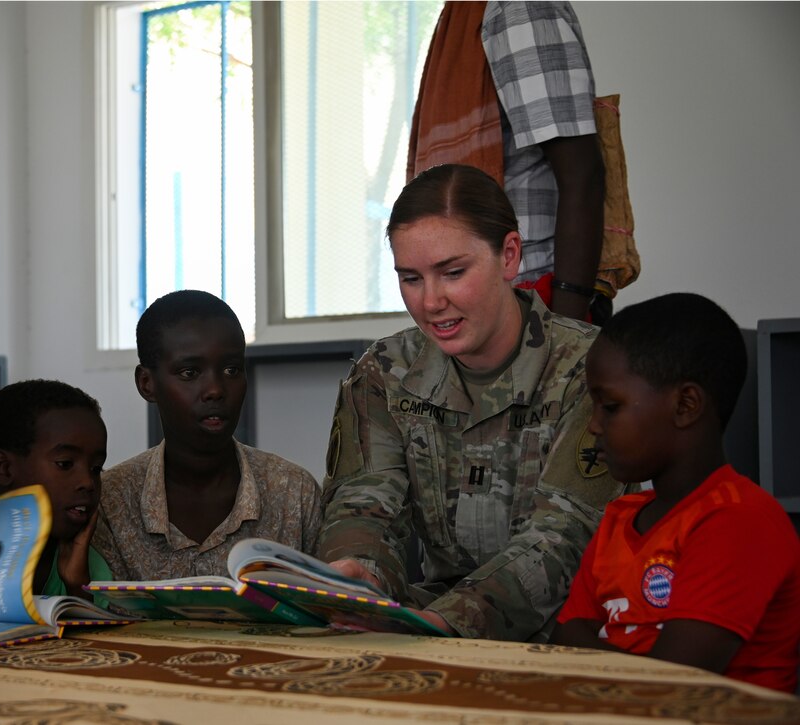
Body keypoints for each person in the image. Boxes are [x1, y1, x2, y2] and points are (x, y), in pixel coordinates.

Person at [318, 164, 624, 642]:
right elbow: (363, 507)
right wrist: (359, 575)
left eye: (453, 272)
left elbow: (566, 537)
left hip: (569, 631)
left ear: (508, 255)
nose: (432, 301)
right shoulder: (384, 373)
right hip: (433, 618)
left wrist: (448, 621)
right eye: (411, 279)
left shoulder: (589, 370)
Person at [553, 293, 800, 693]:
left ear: (686, 405)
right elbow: (563, 641)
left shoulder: (740, 520)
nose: (595, 426)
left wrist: (591, 659)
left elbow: (670, 681)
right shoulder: (620, 516)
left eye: (610, 407)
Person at [93, 290, 323, 581]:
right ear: (146, 383)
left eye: (231, 369)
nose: (215, 389)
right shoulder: (111, 502)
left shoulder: (293, 494)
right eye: (190, 372)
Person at [407, 2, 605, 322]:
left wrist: (566, 335)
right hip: (486, 311)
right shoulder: (459, 16)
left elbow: (582, 175)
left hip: (535, 307)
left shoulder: (518, 7)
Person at [0, 379, 111, 595]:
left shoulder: (92, 569)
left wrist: (77, 587)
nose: (87, 482)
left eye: (96, 469)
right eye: (65, 464)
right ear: (4, 469)